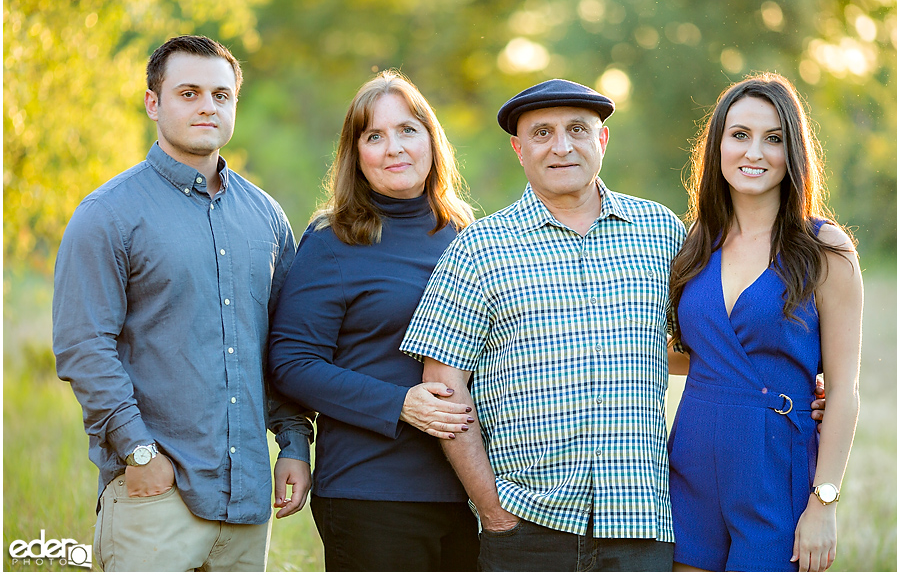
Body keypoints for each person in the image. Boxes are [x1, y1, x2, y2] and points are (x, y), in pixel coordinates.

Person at [399, 79, 686, 571]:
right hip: (529, 525)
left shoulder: (662, 232)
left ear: (603, 140)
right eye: (542, 133)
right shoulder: (479, 249)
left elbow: (696, 350)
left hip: (643, 522)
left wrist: (794, 377)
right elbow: (443, 387)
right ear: (518, 148)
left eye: (578, 129)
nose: (561, 146)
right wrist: (491, 507)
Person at [52, 35, 314, 571]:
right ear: (154, 103)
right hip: (154, 498)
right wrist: (139, 454)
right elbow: (83, 347)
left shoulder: (265, 217)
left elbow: (281, 344)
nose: (206, 107)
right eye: (188, 93)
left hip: (247, 505)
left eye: (220, 95)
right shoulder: (108, 215)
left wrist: (292, 441)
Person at [267, 70, 479, 571]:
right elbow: (290, 362)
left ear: (432, 139)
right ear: (355, 153)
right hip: (371, 491)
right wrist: (400, 404)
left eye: (408, 130)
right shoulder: (333, 241)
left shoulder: (469, 237)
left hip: (469, 492)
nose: (394, 148)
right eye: (374, 136)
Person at [666, 73, 862, 572]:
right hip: (690, 466)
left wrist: (824, 502)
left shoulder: (825, 249)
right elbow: (698, 354)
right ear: (718, 146)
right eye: (740, 135)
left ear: (792, 150)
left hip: (776, 468)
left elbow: (843, 389)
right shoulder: (693, 245)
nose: (755, 152)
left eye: (773, 138)